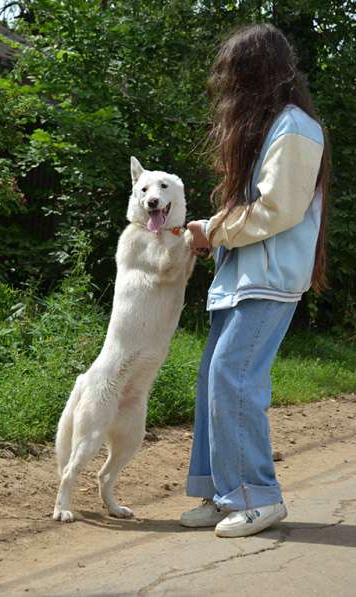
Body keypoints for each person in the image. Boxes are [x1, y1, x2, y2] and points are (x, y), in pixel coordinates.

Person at [180, 23, 330, 538]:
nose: (228, 84)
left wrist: (212, 230)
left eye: (235, 73)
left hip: (269, 279)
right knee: (213, 379)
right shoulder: (270, 126)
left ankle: (257, 497)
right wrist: (211, 230)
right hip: (242, 278)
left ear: (258, 72)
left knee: (233, 377)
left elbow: (277, 210)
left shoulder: (295, 127)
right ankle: (221, 493)